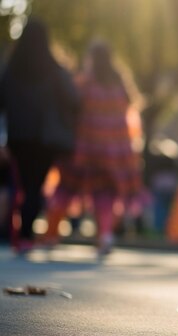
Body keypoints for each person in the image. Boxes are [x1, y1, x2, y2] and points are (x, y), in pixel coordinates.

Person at [45, 41, 143, 256]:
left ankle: (51, 233)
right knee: (105, 194)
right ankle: (105, 235)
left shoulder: (84, 84)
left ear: (91, 59)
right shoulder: (120, 86)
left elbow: (70, 109)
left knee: (66, 188)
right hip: (114, 150)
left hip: (84, 148)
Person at [0, 20, 79, 255]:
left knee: (23, 183)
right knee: (35, 185)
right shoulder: (55, 70)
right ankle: (25, 234)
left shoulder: (12, 69)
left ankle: (19, 232)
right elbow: (74, 101)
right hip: (46, 138)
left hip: (19, 136)